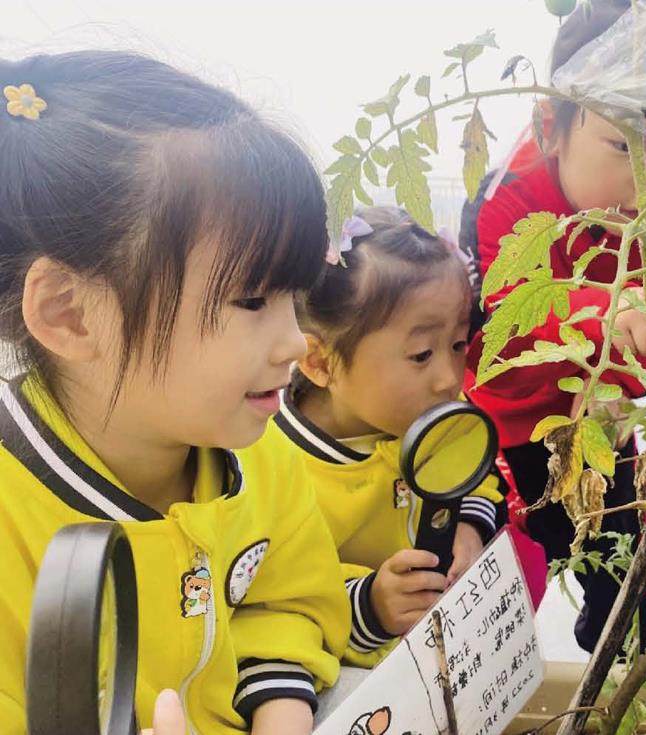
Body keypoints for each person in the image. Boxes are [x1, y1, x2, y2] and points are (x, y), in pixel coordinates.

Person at [0, 51, 351, 734]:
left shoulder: (261, 455)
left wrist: (280, 709)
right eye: (252, 299)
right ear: (71, 313)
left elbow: (289, 600)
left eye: (295, 295)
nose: (294, 341)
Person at [460, 0, 646, 654]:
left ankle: (624, 649)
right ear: (551, 128)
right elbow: (507, 328)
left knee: (623, 574)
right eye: (622, 146)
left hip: (603, 422)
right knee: (504, 577)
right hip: (508, 426)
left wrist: (640, 360)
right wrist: (606, 312)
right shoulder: (509, 200)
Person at [262, 206, 505, 665]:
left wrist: (469, 526)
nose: (448, 377)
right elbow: (277, 598)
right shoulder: (272, 467)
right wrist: (370, 605)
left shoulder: (438, 416)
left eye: (458, 345)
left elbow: (477, 476)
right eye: (421, 354)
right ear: (320, 363)